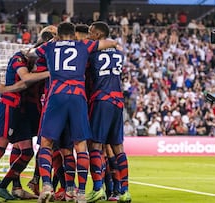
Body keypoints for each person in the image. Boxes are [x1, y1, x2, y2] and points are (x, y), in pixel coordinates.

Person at [24, 22, 119, 203]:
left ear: (58, 35)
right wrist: (115, 44)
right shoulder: (83, 45)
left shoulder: (50, 46)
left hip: (57, 95)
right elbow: (107, 43)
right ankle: (80, 193)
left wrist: (45, 44)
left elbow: (30, 53)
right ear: (73, 35)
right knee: (80, 146)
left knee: (46, 143)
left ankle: (46, 186)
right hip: (77, 97)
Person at [0, 50, 49, 203]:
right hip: (9, 106)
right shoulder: (19, 58)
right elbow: (25, 80)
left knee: (27, 152)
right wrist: (50, 73)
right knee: (0, 147)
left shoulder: (35, 62)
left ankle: (2, 187)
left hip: (22, 110)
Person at [87, 21, 131, 203]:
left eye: (90, 32)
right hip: (118, 101)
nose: (89, 35)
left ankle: (98, 189)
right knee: (118, 147)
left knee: (96, 146)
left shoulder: (93, 52)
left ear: (97, 35)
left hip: (102, 99)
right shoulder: (119, 53)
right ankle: (125, 192)